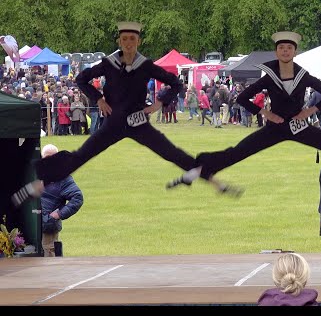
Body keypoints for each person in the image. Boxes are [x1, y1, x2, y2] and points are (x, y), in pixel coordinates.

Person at [11, 21, 239, 208]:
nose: (129, 43)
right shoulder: (108, 64)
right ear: (120, 41)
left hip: (139, 123)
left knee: (172, 152)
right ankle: (36, 186)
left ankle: (215, 182)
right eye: (125, 39)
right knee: (81, 156)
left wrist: (158, 103)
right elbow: (81, 79)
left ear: (138, 41)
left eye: (133, 39)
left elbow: (176, 83)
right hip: (114, 123)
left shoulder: (146, 65)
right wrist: (98, 99)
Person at [167, 31, 321, 190]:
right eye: (281, 48)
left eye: (289, 48)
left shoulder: (302, 75)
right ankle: (200, 169)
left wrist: (310, 111)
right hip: (275, 127)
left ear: (294, 51)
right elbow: (242, 97)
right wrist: (265, 113)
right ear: (277, 51)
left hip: (299, 126)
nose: (285, 51)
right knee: (239, 151)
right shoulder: (270, 74)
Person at [39, 144, 84, 257]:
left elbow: (77, 198)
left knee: (48, 259)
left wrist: (58, 214)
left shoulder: (63, 178)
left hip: (48, 228)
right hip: (30, 227)